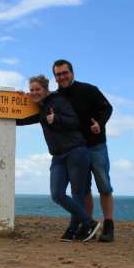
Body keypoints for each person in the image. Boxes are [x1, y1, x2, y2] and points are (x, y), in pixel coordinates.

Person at [17, 75, 100, 242]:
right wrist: (16, 101)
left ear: (45, 89)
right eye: (32, 90)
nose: (34, 92)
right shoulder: (40, 108)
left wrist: (57, 119)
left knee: (78, 193)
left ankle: (72, 230)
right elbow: (19, 121)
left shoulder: (58, 101)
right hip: (58, 156)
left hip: (76, 150)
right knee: (57, 194)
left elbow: (74, 121)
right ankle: (89, 222)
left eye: (37, 89)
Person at [52, 59, 115, 242]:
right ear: (55, 77)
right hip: (75, 150)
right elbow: (39, 105)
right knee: (83, 189)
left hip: (96, 145)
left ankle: (109, 226)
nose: (62, 77)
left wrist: (99, 123)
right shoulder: (56, 97)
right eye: (58, 74)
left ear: (72, 72)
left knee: (104, 185)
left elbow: (107, 108)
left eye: (65, 73)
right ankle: (89, 226)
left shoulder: (89, 89)